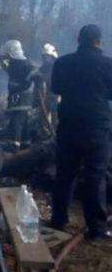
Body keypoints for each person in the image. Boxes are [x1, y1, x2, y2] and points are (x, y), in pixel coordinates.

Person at [51, 24, 112, 240]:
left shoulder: (62, 62)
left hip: (69, 124)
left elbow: (56, 88)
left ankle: (59, 220)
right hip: (96, 126)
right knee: (95, 175)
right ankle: (96, 228)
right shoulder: (108, 64)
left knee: (65, 173)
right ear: (99, 41)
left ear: (78, 39)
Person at [0, 39, 38, 147]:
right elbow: (10, 71)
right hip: (17, 97)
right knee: (23, 120)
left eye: (8, 53)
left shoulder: (24, 64)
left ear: (12, 52)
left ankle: (15, 144)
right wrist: (2, 62)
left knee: (17, 120)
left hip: (22, 97)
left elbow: (33, 73)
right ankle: (26, 142)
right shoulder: (15, 63)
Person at [35, 43, 59, 130]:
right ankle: (45, 132)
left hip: (56, 95)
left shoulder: (58, 66)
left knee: (55, 115)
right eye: (44, 57)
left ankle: (55, 132)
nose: (45, 58)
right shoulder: (43, 67)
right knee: (44, 115)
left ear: (52, 56)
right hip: (46, 96)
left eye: (47, 56)